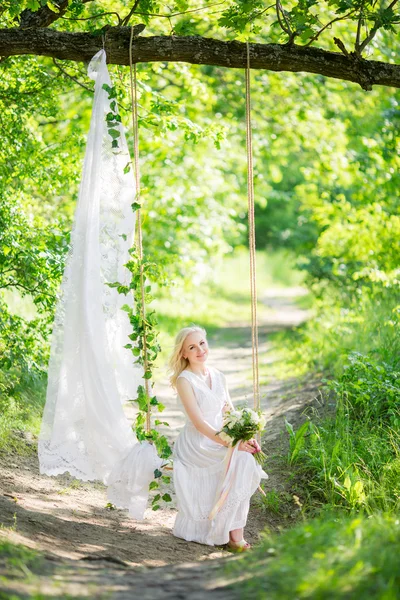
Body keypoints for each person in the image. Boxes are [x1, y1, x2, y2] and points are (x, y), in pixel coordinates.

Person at [168, 325, 267, 551]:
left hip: (221, 438)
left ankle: (233, 534)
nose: (199, 350)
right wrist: (233, 444)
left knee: (245, 461)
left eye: (202, 343)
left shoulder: (219, 377)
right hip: (198, 443)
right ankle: (232, 538)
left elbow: (229, 415)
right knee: (237, 461)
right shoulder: (185, 380)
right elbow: (200, 423)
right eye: (192, 347)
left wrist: (246, 437)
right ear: (183, 354)